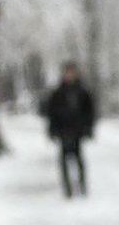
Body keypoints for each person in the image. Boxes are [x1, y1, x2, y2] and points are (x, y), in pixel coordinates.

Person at [43, 61, 96, 198]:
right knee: (63, 161)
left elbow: (89, 112)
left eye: (72, 72)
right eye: (67, 72)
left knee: (79, 159)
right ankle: (67, 189)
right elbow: (51, 114)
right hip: (63, 131)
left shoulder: (83, 92)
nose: (69, 75)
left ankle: (82, 185)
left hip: (77, 131)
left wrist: (88, 129)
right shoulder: (57, 93)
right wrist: (52, 130)